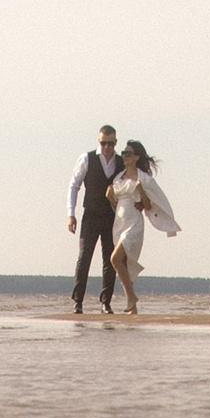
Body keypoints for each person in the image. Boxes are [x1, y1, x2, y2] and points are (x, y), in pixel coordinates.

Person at [103, 141, 179, 317]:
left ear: (136, 157)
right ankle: (133, 309)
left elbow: (150, 205)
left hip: (134, 224)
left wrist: (141, 192)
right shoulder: (118, 178)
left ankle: (131, 297)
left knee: (115, 258)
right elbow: (115, 205)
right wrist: (110, 198)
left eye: (128, 153)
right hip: (119, 224)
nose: (125, 156)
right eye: (123, 153)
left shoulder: (144, 179)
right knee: (123, 264)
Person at [66, 127, 123, 314]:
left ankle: (106, 302)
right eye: (103, 142)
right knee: (84, 258)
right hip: (90, 214)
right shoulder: (87, 158)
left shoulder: (121, 162)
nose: (107, 146)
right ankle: (78, 301)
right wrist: (70, 213)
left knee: (110, 260)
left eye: (110, 143)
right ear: (98, 141)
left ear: (115, 143)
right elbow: (74, 185)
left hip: (111, 216)